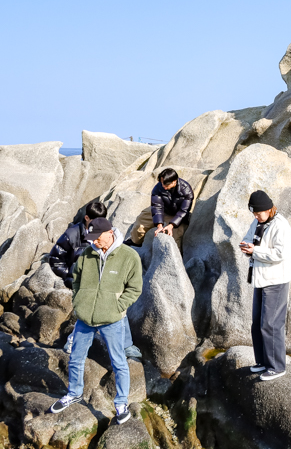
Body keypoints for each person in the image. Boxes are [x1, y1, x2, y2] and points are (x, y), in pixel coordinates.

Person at [48, 218, 143, 424]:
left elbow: (135, 288)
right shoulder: (87, 254)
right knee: (75, 358)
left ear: (109, 233)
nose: (94, 242)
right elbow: (77, 280)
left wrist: (117, 306)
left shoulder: (129, 256)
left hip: (112, 319)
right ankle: (74, 393)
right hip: (85, 318)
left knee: (119, 362)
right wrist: (78, 301)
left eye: (97, 237)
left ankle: (121, 403)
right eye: (91, 238)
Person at [48, 202, 141, 359]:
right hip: (82, 283)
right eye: (94, 221)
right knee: (84, 315)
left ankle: (126, 345)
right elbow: (55, 257)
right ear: (86, 218)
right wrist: (69, 277)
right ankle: (73, 342)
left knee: (119, 313)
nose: (98, 226)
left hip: (106, 282)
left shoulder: (105, 233)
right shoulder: (72, 234)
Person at [240, 190, 291, 381]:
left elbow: (280, 253)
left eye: (258, 212)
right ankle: (263, 361)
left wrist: (255, 251)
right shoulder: (257, 222)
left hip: (276, 281)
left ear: (269, 209)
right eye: (253, 213)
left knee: (271, 324)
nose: (255, 216)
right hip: (260, 280)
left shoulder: (281, 225)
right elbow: (248, 237)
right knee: (257, 324)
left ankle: (277, 366)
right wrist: (246, 246)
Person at [129, 168, 193, 251]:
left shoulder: (186, 190)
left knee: (174, 236)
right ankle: (135, 242)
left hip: (177, 215)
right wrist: (159, 225)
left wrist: (171, 225)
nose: (163, 186)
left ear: (174, 181)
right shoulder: (158, 187)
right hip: (163, 209)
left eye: (166, 185)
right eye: (162, 183)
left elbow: (184, 211)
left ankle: (174, 258)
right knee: (141, 220)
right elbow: (156, 206)